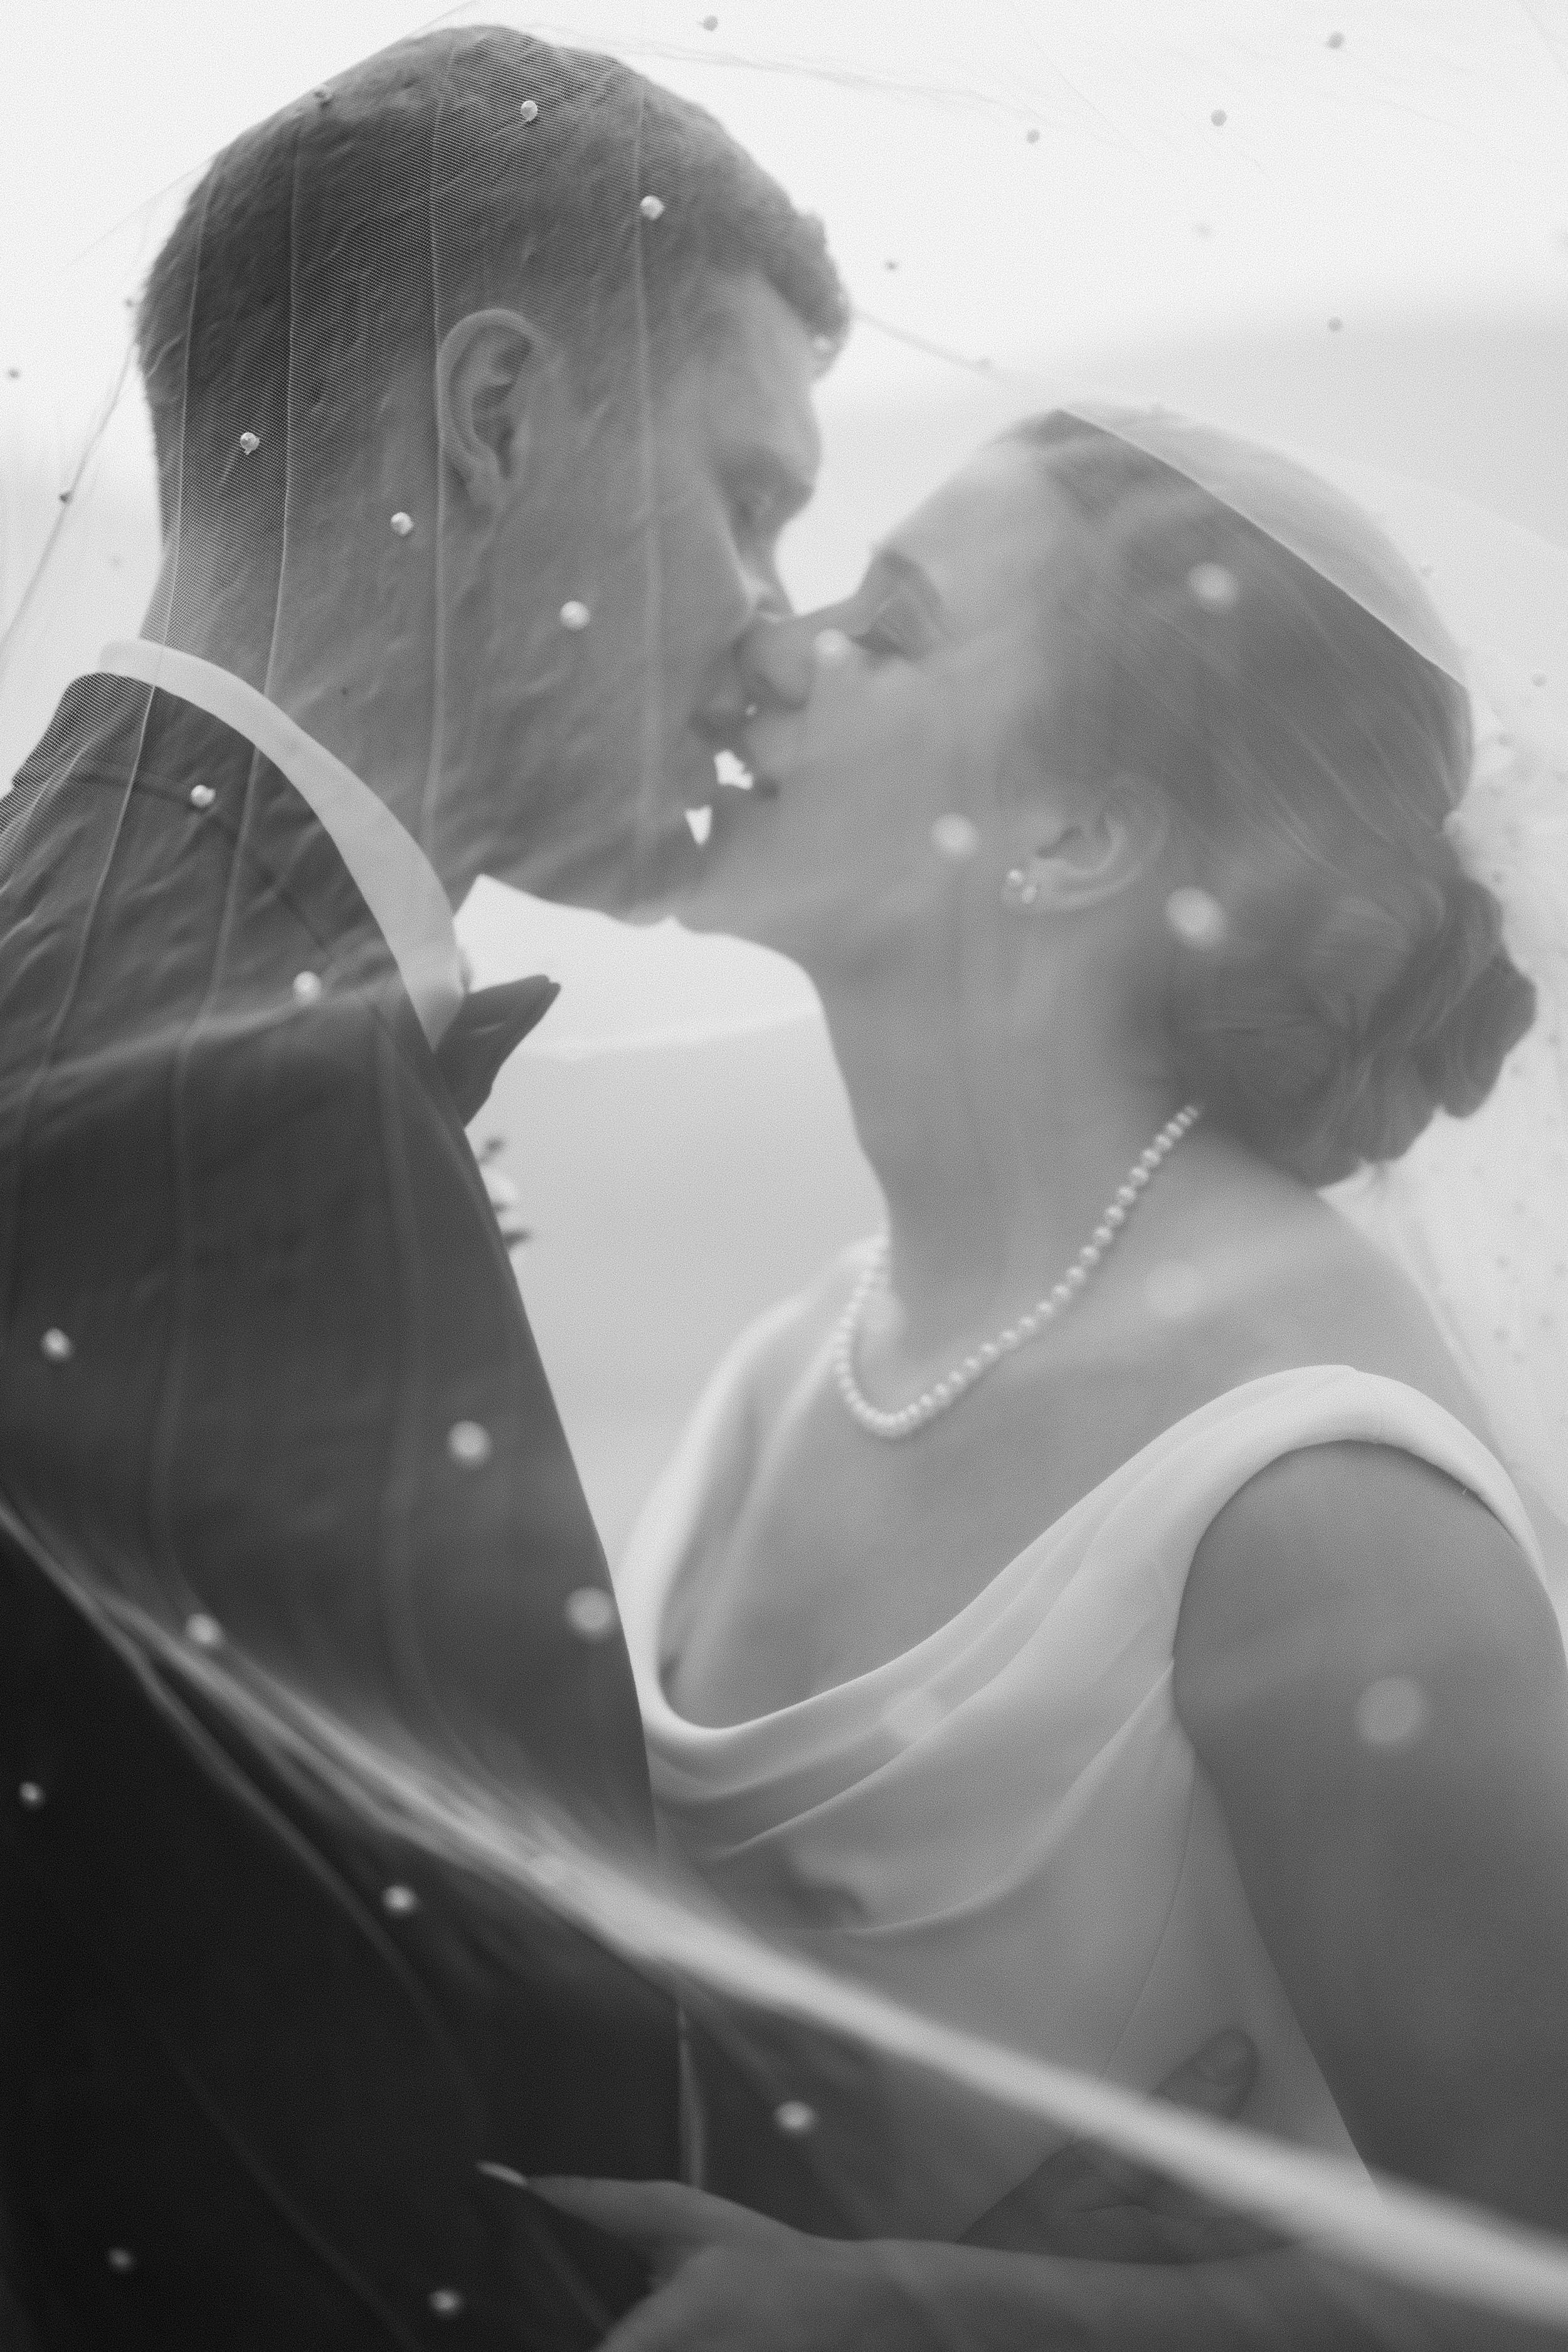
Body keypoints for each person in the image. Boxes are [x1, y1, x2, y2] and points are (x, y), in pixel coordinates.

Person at [539, 413, 1568, 2345]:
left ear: (1073, 838)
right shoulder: (795, 1360)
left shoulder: (1307, 1511)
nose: (770, 647)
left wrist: (911, 2315)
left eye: (889, 623)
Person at [0, 27, 847, 2348]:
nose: (778, 622)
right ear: (494, 418)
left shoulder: (112, 941)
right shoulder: (201, 1114)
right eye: (746, 495)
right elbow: (266, 2171)